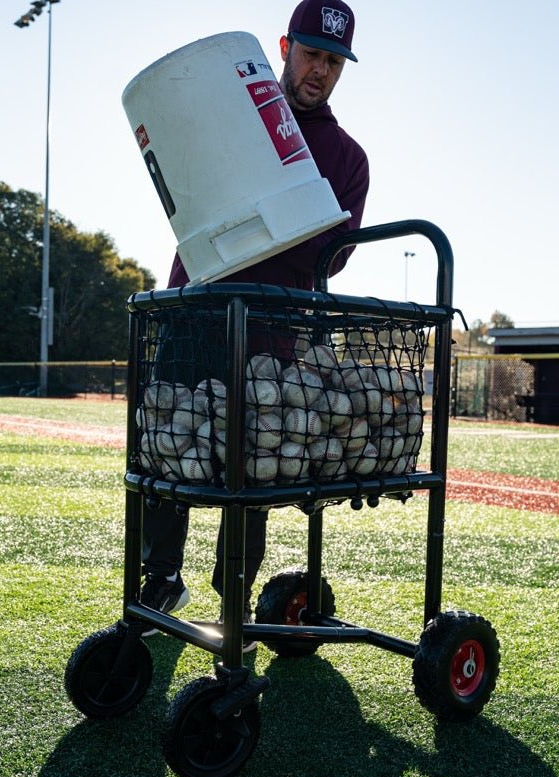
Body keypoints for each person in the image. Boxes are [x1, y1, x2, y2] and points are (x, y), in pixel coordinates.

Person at [139, 0, 370, 649]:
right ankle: (160, 576)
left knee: (255, 468)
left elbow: (329, 256)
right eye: (309, 53)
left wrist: (256, 218)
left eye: (332, 61)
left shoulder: (349, 158)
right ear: (284, 46)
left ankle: (233, 598)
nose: (319, 71)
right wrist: (284, 218)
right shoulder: (230, 108)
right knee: (167, 446)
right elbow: (193, 197)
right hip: (194, 302)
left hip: (270, 332)